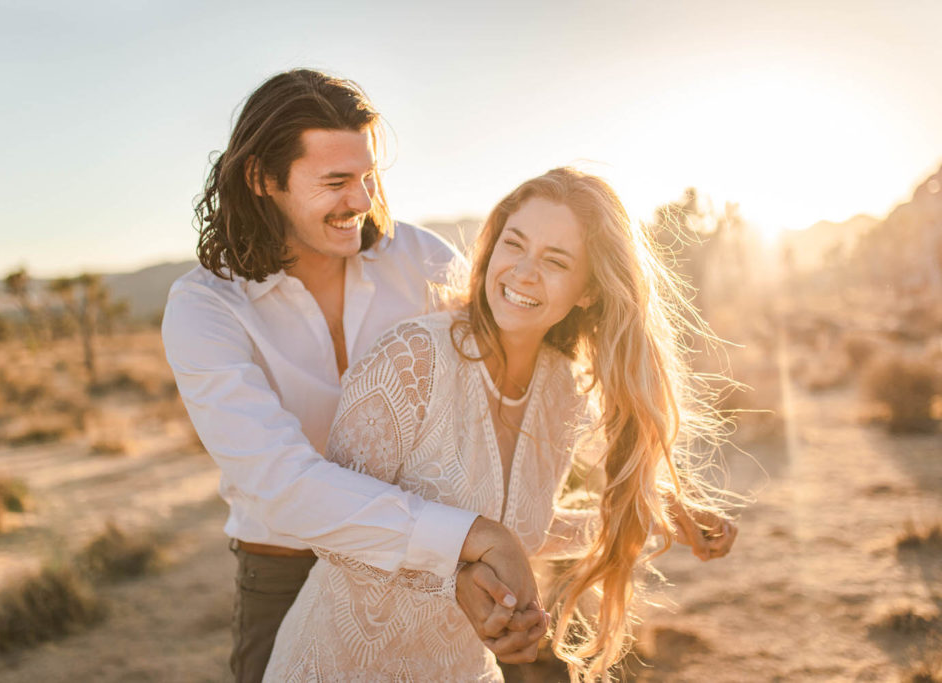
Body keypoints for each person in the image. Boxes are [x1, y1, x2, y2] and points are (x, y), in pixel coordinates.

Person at [264, 167, 738, 682]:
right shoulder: (412, 358)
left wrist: (649, 513)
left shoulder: (560, 388)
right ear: (491, 249)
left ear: (589, 291)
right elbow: (335, 528)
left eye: (556, 261)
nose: (524, 272)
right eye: (515, 244)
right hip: (338, 666)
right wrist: (454, 578)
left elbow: (523, 528)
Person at [161, 69, 546, 682]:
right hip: (287, 572)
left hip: (446, 557)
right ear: (263, 179)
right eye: (336, 182)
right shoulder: (205, 308)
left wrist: (648, 492)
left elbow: (515, 379)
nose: (362, 203)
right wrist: (467, 540)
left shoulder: (421, 261)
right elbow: (282, 485)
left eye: (367, 178)